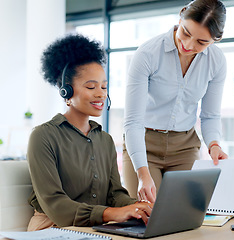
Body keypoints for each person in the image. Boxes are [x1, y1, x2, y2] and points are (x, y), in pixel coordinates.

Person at [26, 34, 153, 231]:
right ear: (66, 91)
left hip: (97, 227)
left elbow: (115, 194)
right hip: (52, 227)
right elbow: (56, 205)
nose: (101, 93)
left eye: (104, 86)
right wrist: (111, 213)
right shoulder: (43, 136)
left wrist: (136, 207)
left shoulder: (105, 140)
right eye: (91, 86)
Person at [123, 0, 229, 203]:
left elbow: (210, 115)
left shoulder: (216, 61)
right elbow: (133, 121)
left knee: (184, 214)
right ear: (180, 17)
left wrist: (214, 144)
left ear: (216, 39)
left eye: (202, 42)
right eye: (186, 33)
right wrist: (143, 174)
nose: (188, 45)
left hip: (184, 147)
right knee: (147, 214)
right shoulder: (147, 54)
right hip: (144, 144)